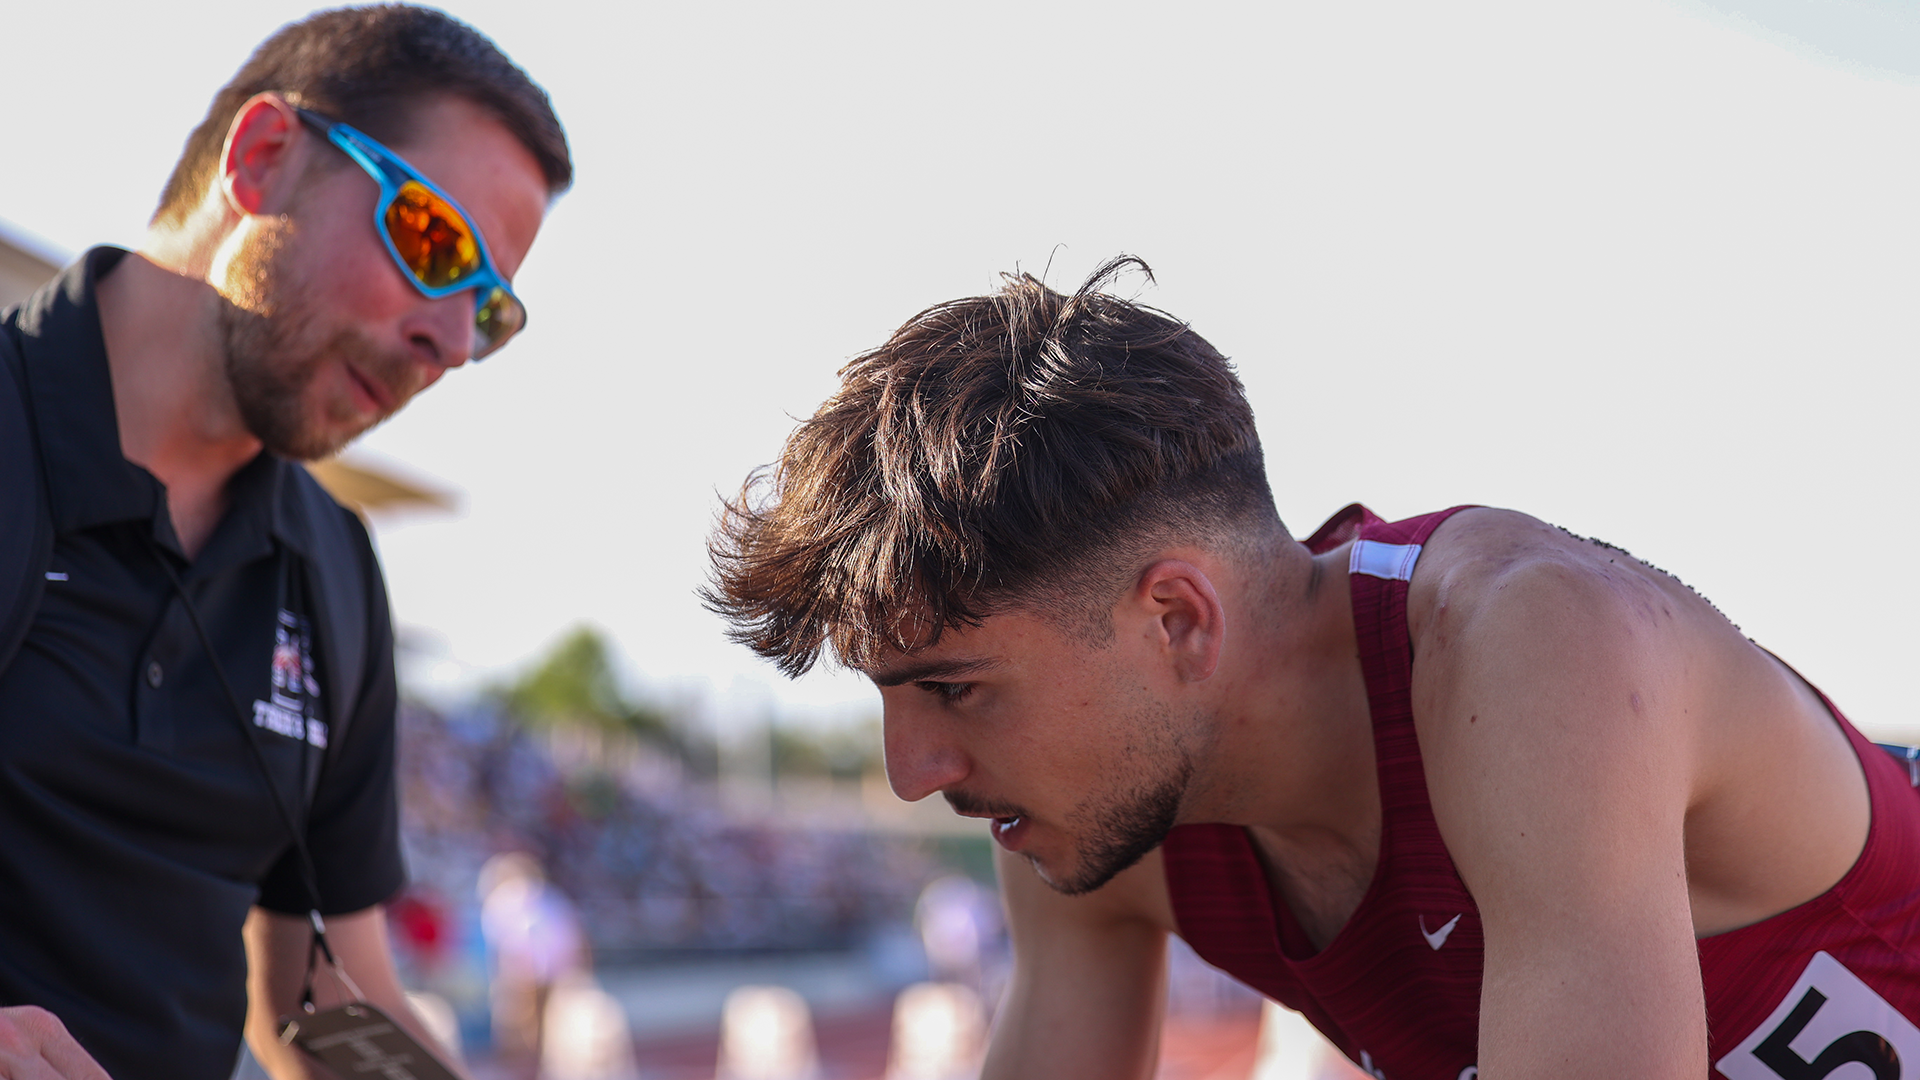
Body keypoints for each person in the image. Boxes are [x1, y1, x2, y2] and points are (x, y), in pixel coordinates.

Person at [706, 257, 1920, 1078]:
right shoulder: (1096, 819)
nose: (913, 772)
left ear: (1178, 620)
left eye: (953, 689)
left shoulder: (1530, 650)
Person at [0, 7, 570, 1078]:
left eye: (490, 310)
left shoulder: (335, 573)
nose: (451, 343)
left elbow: (323, 1000)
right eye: (436, 246)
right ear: (263, 160)